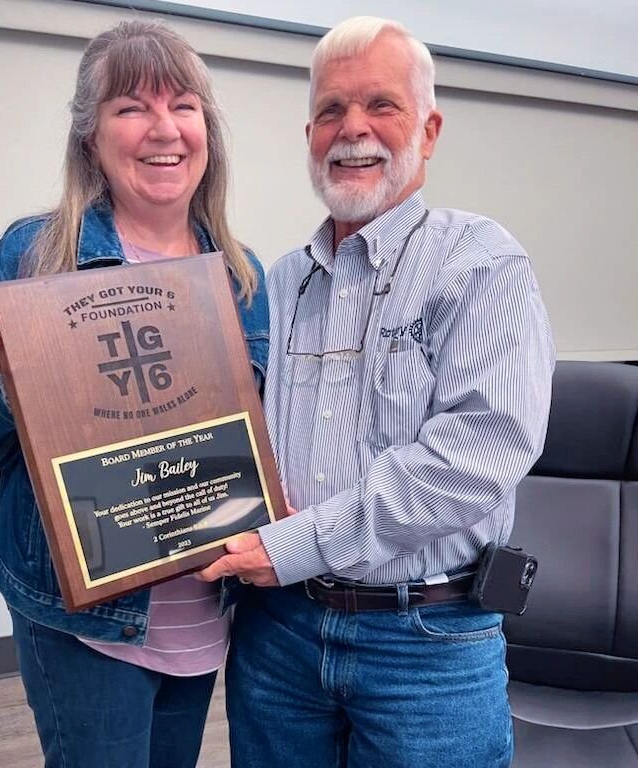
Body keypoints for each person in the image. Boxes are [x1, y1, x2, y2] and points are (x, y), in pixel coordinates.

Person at [197, 16, 554, 768]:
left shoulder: (480, 264)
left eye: (380, 105)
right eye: (330, 110)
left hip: (427, 643)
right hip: (278, 637)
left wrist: (292, 543)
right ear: (309, 134)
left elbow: (474, 458)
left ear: (428, 128)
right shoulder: (275, 286)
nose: (352, 128)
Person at [0, 20, 268, 768]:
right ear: (91, 136)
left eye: (183, 105)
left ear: (208, 129)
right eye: (131, 107)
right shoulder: (32, 254)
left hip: (203, 614)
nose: (163, 129)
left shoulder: (243, 279)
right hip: (85, 623)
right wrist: (3, 381)